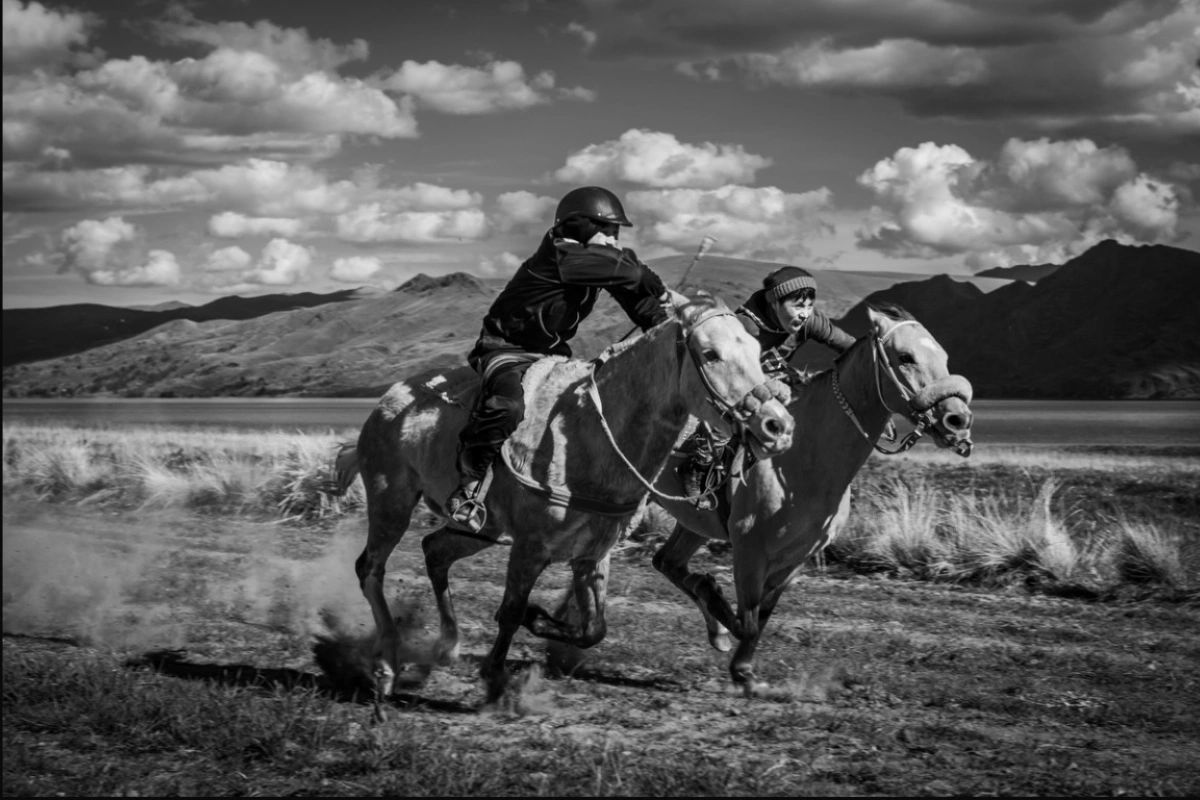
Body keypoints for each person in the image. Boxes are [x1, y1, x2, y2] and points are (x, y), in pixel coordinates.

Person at [446, 186, 671, 533]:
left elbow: (637, 298)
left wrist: (664, 325)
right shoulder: (561, 255)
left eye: (617, 231)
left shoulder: (591, 262)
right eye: (606, 229)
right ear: (576, 225)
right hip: (505, 349)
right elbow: (634, 276)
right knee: (507, 406)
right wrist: (652, 284)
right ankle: (470, 482)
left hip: (552, 355)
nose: (613, 238)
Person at [680, 265, 855, 508]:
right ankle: (698, 464)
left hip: (779, 382)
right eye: (797, 305)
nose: (804, 314)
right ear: (774, 303)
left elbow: (851, 347)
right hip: (740, 386)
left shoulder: (809, 322)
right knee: (726, 421)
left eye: (808, 305)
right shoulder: (743, 327)